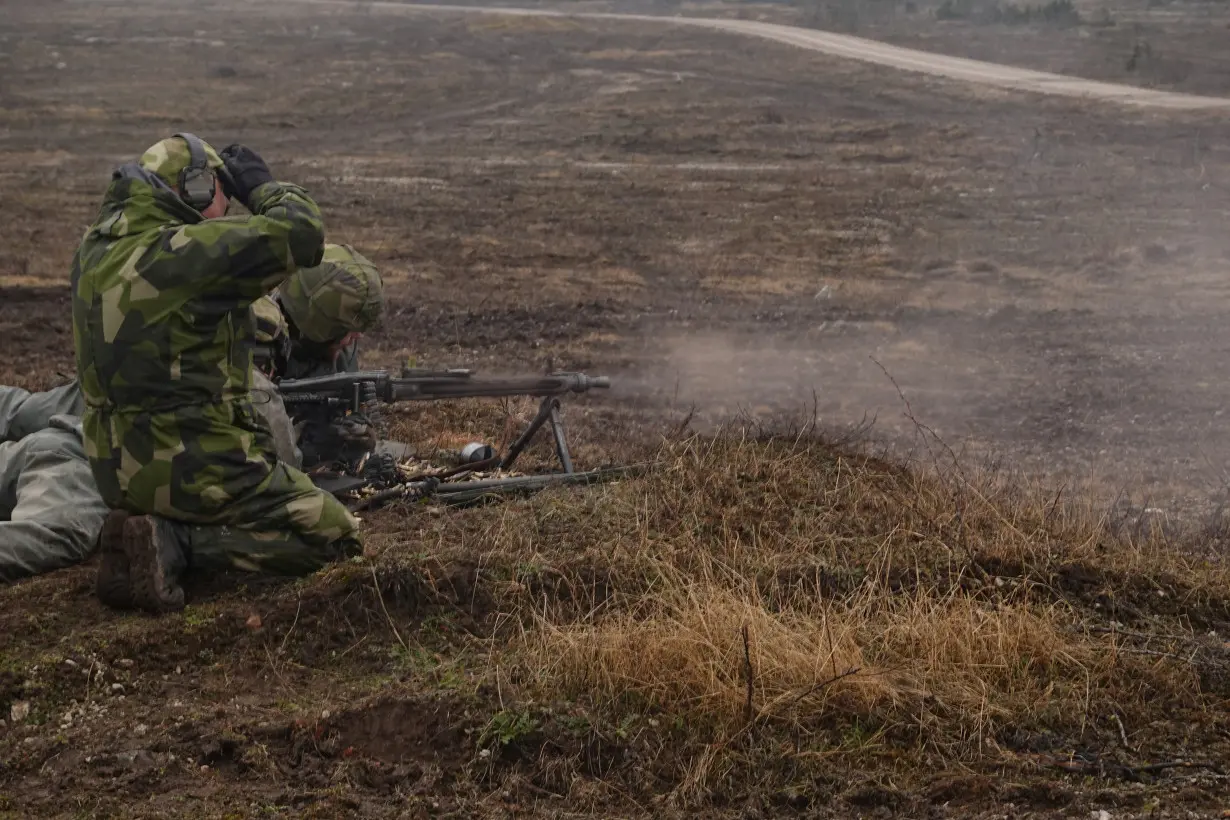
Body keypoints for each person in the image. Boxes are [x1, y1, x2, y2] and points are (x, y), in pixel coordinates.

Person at [71, 132, 360, 613]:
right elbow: (303, 233)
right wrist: (261, 187)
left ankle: (143, 536)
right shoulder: (186, 251)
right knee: (335, 536)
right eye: (222, 196)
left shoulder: (93, 252)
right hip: (188, 466)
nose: (227, 210)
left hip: (114, 469)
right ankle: (177, 544)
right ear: (196, 190)